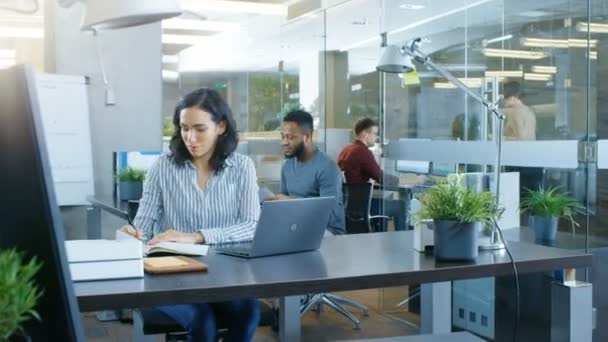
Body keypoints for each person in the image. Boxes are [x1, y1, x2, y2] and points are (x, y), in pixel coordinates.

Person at [121, 88, 260, 342]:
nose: (190, 137)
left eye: (199, 128)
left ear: (220, 127)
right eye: (184, 128)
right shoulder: (162, 167)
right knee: (202, 321)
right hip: (173, 276)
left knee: (249, 312)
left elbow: (251, 225)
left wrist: (196, 237)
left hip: (226, 276)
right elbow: (143, 226)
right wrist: (132, 234)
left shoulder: (242, 167)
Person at [267, 110, 345, 235]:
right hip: (296, 227)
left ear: (307, 137)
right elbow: (283, 206)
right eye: (283, 136)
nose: (284, 142)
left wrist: (289, 201)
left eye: (291, 137)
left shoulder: (327, 167)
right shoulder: (287, 166)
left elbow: (328, 214)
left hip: (327, 232)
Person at [337, 118, 406, 231]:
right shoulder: (362, 152)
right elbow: (382, 178)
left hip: (349, 207)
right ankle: (404, 244)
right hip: (362, 207)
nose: (376, 137)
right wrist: (412, 180)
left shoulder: (346, 149)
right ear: (365, 134)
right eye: (374, 133)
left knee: (385, 200)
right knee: (400, 206)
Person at [501, 81, 543, 195]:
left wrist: (501, 139)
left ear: (514, 97)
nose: (503, 100)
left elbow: (522, 139)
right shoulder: (528, 111)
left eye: (505, 97)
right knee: (529, 204)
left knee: (517, 202)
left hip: (521, 164)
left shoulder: (515, 112)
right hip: (533, 162)